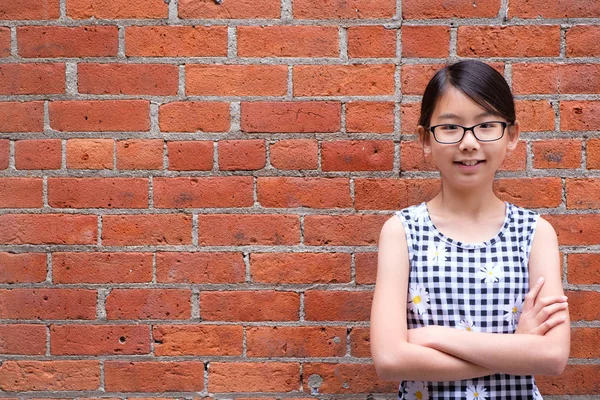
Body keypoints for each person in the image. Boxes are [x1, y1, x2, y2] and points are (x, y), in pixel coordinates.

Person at [370, 60, 570, 399]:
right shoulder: (401, 232)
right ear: (425, 139)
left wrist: (434, 337)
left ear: (512, 136)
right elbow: (389, 359)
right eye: (450, 128)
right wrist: (516, 349)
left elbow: (552, 356)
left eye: (486, 125)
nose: (469, 143)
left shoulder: (535, 234)